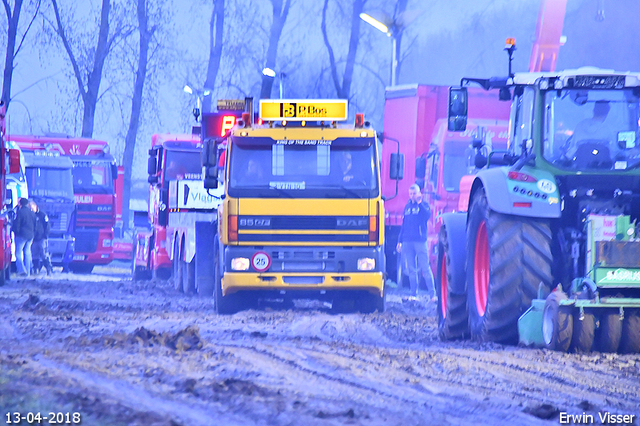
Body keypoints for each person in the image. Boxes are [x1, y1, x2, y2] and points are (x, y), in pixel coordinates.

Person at [396, 184, 436, 302]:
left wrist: (419, 203)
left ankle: (432, 295)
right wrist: (400, 241)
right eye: (410, 194)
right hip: (407, 242)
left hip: (420, 241)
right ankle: (414, 294)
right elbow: (404, 225)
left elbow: (427, 216)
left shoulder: (424, 205)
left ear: (419, 194)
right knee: (411, 269)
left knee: (425, 267)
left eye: (414, 193)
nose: (412, 196)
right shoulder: (407, 207)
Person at [12, 198, 37, 277]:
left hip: (21, 235)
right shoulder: (32, 213)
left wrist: (16, 232)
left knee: (18, 253)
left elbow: (17, 224)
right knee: (27, 252)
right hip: (30, 235)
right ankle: (28, 272)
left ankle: (22, 270)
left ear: (20, 204)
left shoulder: (20, 212)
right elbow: (35, 224)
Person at [30, 201, 53, 276]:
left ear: (35, 206)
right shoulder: (31, 215)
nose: (31, 209)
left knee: (44, 254)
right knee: (35, 254)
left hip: (42, 238)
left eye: (31, 207)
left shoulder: (42, 215)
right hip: (34, 238)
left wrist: (45, 235)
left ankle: (48, 269)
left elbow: (47, 225)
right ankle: (36, 269)